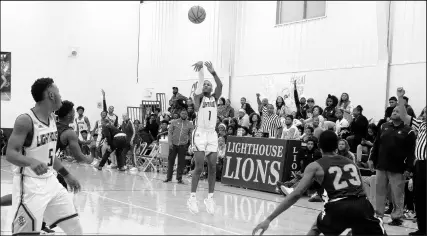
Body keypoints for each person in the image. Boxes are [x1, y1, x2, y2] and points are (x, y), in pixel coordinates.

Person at [252, 131, 386, 236]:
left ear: (319, 146)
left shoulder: (315, 166)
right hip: (362, 205)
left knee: (316, 228)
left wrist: (269, 219)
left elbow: (296, 194)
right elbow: (363, 190)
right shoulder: (351, 163)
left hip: (338, 206)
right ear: (336, 146)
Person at [5, 78, 84, 235]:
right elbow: (10, 153)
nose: (60, 96)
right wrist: (31, 161)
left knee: (75, 228)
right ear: (51, 95)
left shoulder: (52, 119)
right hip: (30, 186)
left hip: (51, 182)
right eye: (58, 92)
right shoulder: (25, 120)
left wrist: (67, 175)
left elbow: (49, 155)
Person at [187, 61, 223, 214]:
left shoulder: (215, 97)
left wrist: (213, 72)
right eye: (205, 84)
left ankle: (209, 198)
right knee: (199, 167)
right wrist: (201, 70)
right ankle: (192, 198)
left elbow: (220, 86)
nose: (207, 85)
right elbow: (201, 83)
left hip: (212, 134)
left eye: (209, 84)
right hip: (200, 133)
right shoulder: (198, 98)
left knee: (213, 167)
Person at [397, 88, 426, 235]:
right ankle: (422, 229)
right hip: (420, 165)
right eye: (424, 112)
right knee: (419, 198)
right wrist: (401, 98)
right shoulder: (421, 125)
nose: (425, 114)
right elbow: (403, 115)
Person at [164, 109, 193, 184]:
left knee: (181, 162)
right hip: (173, 144)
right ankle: (168, 177)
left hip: (183, 146)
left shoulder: (189, 124)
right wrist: (170, 142)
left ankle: (179, 178)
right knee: (171, 161)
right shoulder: (174, 122)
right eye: (182, 113)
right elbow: (170, 133)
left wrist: (191, 144)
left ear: (187, 115)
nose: (184, 115)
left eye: (185, 114)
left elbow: (191, 135)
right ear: (180, 114)